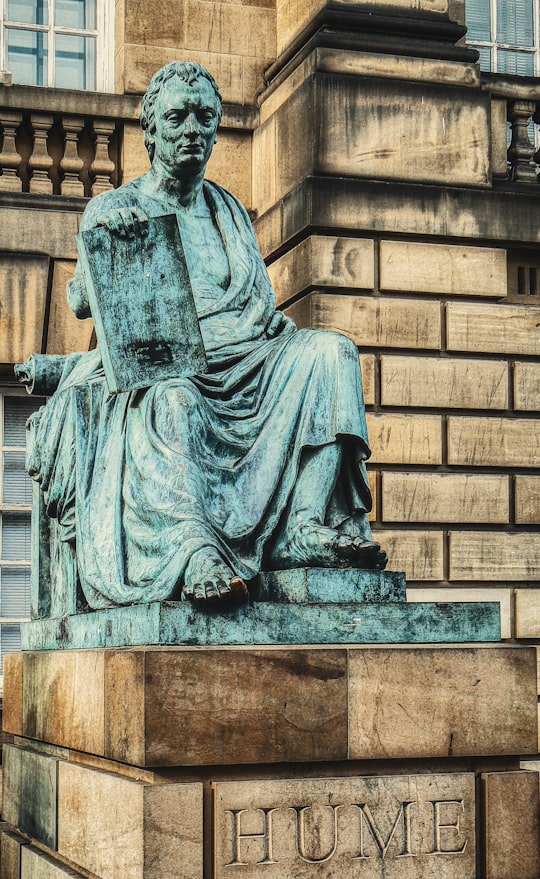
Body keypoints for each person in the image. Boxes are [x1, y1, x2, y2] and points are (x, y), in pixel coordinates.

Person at [27, 61, 386, 610]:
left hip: (248, 358)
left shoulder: (229, 212)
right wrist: (113, 244)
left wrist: (278, 345)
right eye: (176, 117)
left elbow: (261, 311)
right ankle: (193, 550)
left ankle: (305, 527)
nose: (191, 128)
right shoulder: (117, 206)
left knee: (331, 351)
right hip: (173, 372)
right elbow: (82, 299)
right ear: (151, 130)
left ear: (218, 128)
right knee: (174, 399)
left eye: (204, 117)